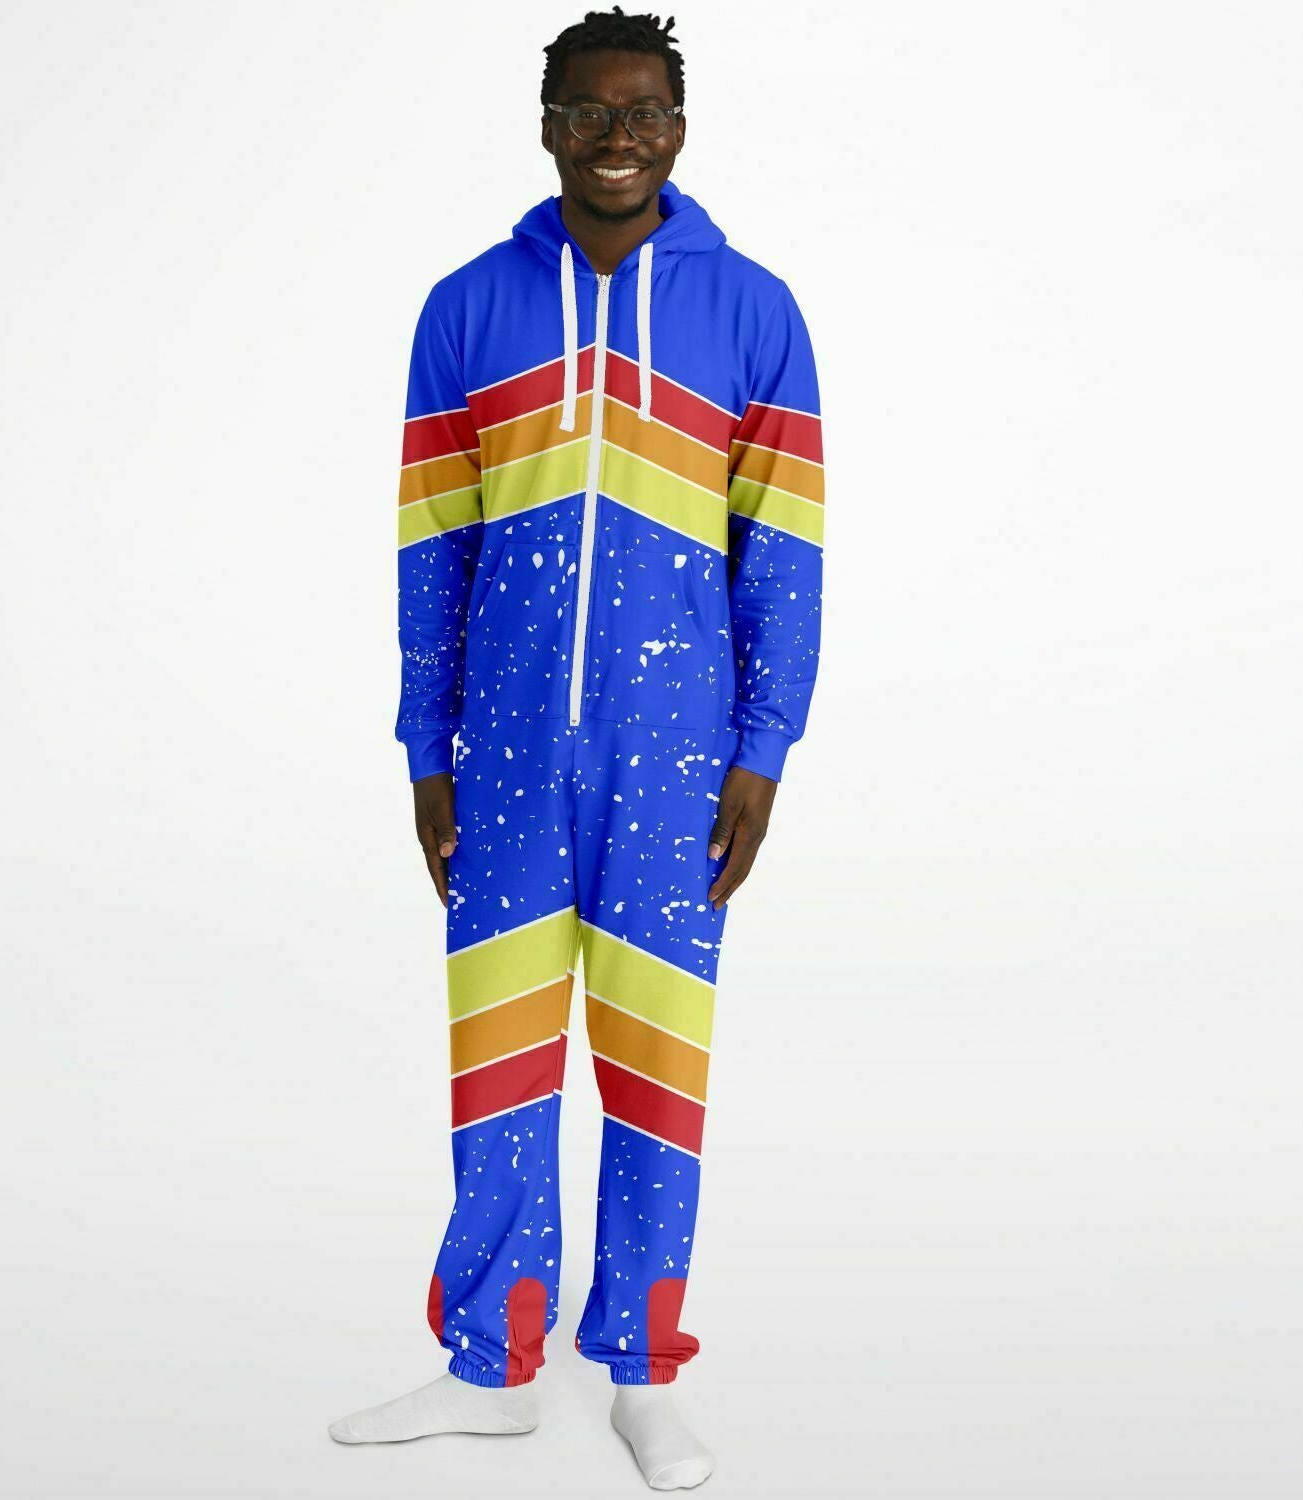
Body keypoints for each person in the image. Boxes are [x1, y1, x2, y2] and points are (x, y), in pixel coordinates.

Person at [329, 7, 824, 1489]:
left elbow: (784, 549)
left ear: (679, 128)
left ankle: (642, 1376)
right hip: (502, 753)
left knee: (657, 1060)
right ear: (548, 125)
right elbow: (431, 542)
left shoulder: (755, 310)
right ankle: (489, 1363)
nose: (620, 137)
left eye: (645, 111)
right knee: (500, 1049)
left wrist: (762, 749)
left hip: (677, 758)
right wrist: (426, 746)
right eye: (592, 111)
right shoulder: (466, 309)